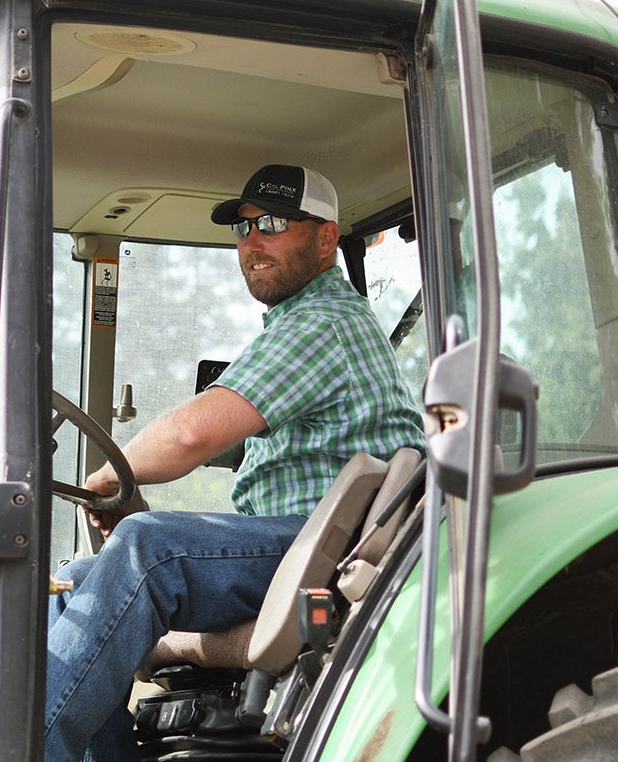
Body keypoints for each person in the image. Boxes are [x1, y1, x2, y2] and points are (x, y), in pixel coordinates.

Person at [45, 164, 426, 761]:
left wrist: (109, 477)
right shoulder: (302, 326)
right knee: (67, 584)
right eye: (243, 228)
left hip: (322, 546)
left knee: (148, 544)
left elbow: (195, 432)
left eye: (273, 223)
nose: (252, 242)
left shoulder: (323, 324)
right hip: (293, 544)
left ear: (326, 238)